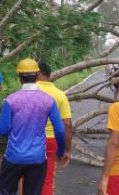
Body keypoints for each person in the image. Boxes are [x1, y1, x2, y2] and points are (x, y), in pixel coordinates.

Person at [0, 58, 68, 195]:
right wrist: (61, 151)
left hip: (13, 156)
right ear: (37, 75)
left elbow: (3, 130)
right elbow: (59, 129)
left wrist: (16, 134)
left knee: (6, 191)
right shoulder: (48, 100)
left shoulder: (11, 100)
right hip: (37, 158)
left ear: (19, 77)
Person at [36, 61, 72, 195]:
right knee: (47, 180)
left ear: (37, 73)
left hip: (30, 140)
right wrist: (67, 149)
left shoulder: (25, 93)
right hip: (51, 141)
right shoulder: (59, 94)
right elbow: (67, 125)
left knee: (27, 178)